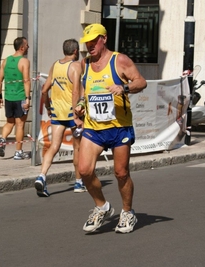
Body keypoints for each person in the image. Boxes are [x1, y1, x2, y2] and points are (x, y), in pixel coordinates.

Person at [75, 24, 147, 233]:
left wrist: (123, 87)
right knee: (84, 170)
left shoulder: (119, 60)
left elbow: (141, 82)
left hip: (119, 127)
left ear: (104, 39)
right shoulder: (85, 63)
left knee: (121, 173)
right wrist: (80, 104)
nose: (89, 45)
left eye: (93, 40)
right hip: (94, 127)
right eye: (87, 42)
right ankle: (102, 206)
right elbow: (85, 90)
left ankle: (127, 212)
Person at [34, 39, 87, 197]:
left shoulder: (55, 65)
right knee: (77, 148)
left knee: (54, 146)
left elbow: (44, 90)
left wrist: (49, 108)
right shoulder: (76, 66)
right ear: (76, 51)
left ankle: (42, 176)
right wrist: (77, 115)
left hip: (58, 113)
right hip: (72, 113)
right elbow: (76, 91)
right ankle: (78, 182)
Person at [0, 37, 31, 160]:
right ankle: (18, 152)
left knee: (10, 122)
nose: (28, 47)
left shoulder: (6, 60)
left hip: (9, 97)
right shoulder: (24, 61)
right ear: (21, 47)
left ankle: (3, 139)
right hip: (20, 96)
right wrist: (28, 98)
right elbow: (26, 81)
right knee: (20, 125)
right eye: (27, 45)